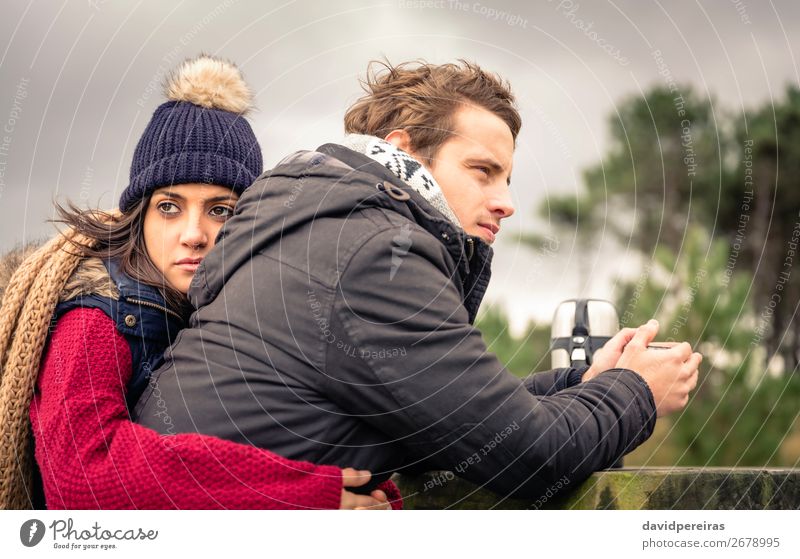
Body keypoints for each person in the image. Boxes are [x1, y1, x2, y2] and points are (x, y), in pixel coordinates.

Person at [135, 60, 702, 499]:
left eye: (506, 178)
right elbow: (529, 455)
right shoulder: (372, 255)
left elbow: (450, 417)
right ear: (401, 151)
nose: (505, 202)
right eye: (482, 171)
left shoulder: (316, 230)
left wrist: (584, 382)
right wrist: (638, 391)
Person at [0, 54, 399, 510]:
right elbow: (84, 476)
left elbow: (293, 418)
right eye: (169, 207)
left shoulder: (255, 312)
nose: (194, 234)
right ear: (140, 216)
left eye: (219, 210)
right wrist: (299, 495)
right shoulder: (97, 316)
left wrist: (369, 490)